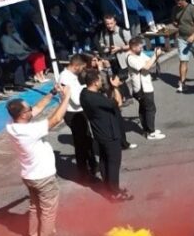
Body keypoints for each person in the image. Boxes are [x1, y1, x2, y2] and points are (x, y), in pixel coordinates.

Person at [5, 86, 71, 236]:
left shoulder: (12, 125)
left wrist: (52, 93)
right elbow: (56, 118)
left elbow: (38, 108)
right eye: (28, 109)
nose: (32, 110)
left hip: (29, 176)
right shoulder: (29, 130)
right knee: (48, 212)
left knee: (35, 208)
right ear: (23, 115)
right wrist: (66, 97)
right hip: (44, 177)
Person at [80, 69, 133, 202]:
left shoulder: (84, 94)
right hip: (110, 133)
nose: (101, 82)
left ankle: (108, 188)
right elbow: (118, 103)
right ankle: (115, 192)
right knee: (114, 162)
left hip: (99, 133)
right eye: (99, 80)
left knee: (104, 161)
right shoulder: (96, 98)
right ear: (95, 82)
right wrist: (115, 87)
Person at [57, 55, 97, 182]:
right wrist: (89, 92)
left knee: (87, 140)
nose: (83, 70)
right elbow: (76, 100)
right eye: (82, 68)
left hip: (78, 112)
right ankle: (84, 173)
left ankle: (92, 166)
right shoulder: (66, 78)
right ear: (76, 66)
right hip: (74, 113)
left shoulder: (72, 76)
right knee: (81, 144)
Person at [124, 37, 165, 140]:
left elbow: (150, 62)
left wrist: (156, 56)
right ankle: (151, 132)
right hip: (142, 89)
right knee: (150, 109)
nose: (142, 49)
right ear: (133, 47)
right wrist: (155, 55)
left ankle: (147, 129)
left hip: (145, 85)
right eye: (140, 47)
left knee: (143, 109)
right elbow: (146, 67)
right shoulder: (130, 58)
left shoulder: (139, 54)